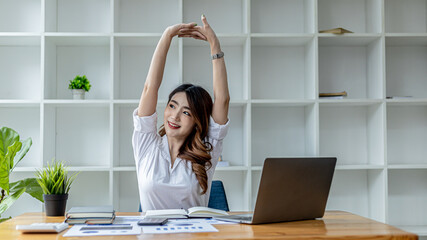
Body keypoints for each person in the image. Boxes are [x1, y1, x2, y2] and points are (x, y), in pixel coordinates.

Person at [132, 14, 230, 212]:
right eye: (172, 106)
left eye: (186, 112)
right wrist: (167, 36)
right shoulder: (146, 145)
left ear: (197, 121)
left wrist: (214, 45)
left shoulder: (206, 152)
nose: (174, 116)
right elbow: (149, 88)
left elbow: (222, 100)